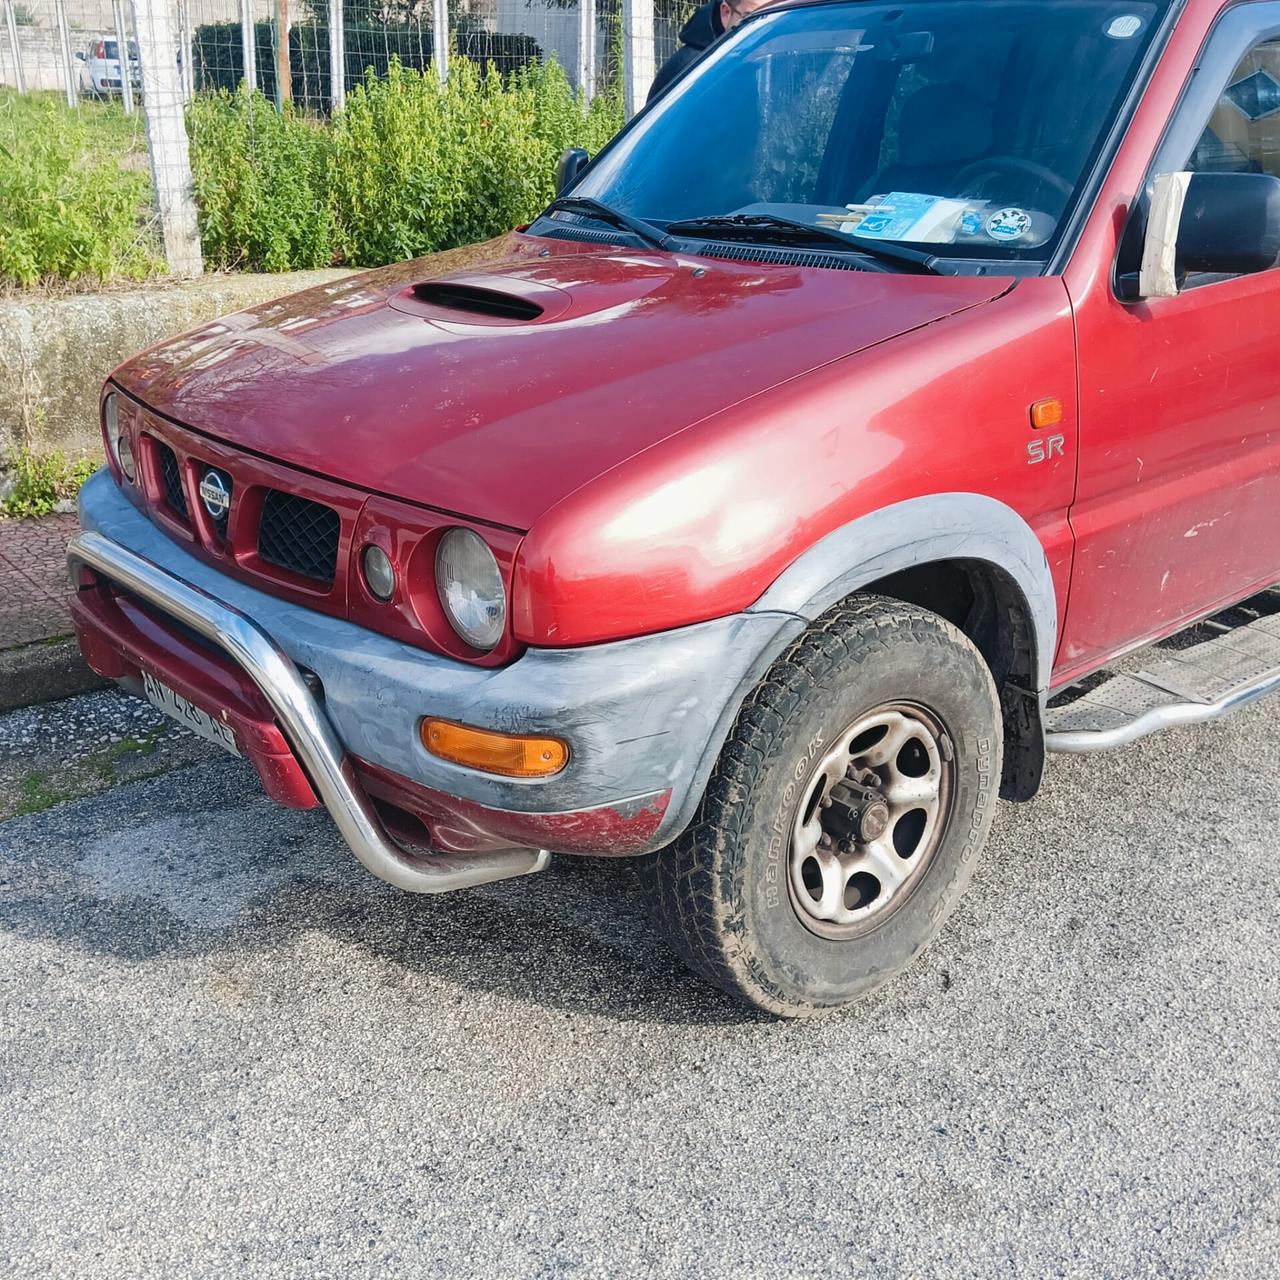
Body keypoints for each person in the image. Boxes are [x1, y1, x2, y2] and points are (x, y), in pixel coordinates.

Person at [647, 0, 776, 103]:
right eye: (752, 19)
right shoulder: (695, 68)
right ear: (726, 13)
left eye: (771, 21)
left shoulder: (736, 57)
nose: (762, 32)